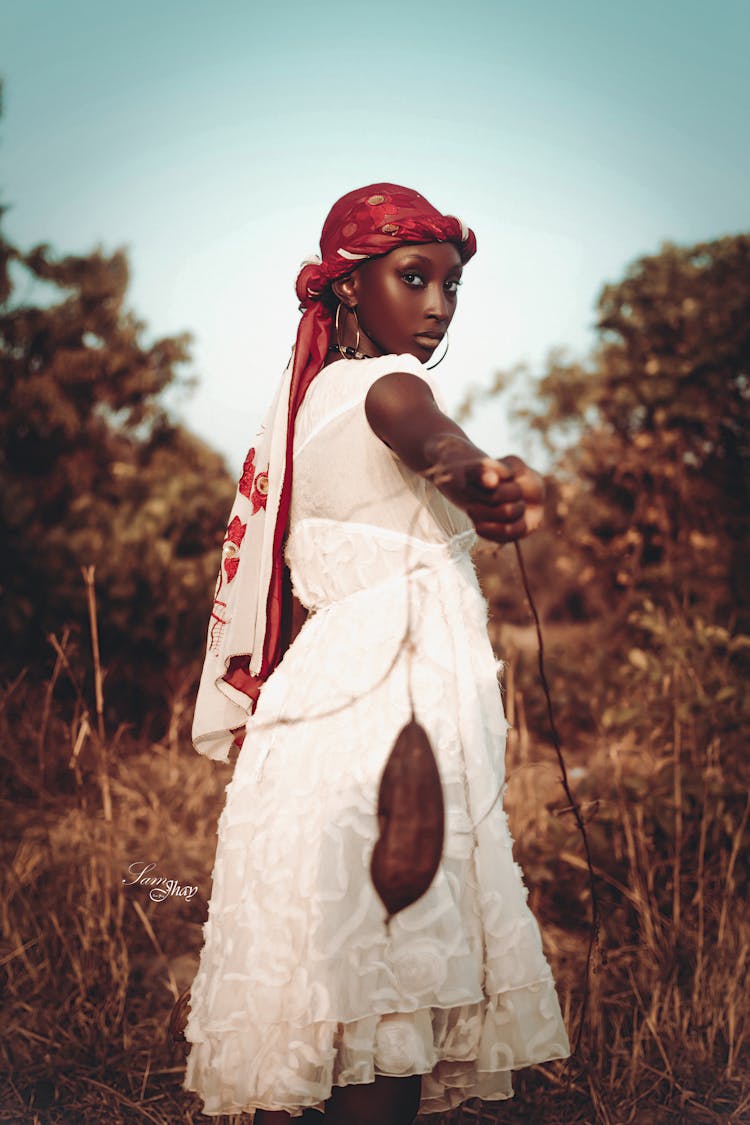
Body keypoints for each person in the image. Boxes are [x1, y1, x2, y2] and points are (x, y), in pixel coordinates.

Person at [182, 183, 570, 1123]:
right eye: (413, 277)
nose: (437, 303)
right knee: (391, 984)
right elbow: (441, 443)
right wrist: (484, 481)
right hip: (391, 713)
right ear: (350, 288)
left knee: (334, 992)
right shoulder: (386, 386)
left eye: (450, 284)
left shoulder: (308, 406)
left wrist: (478, 481)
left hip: (319, 722)